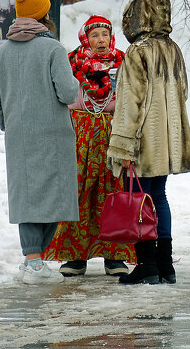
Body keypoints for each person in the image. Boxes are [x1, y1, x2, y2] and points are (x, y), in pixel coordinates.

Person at [0, 0, 79, 284]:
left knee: (27, 198)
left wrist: (11, 123)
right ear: (43, 17)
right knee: (54, 197)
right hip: (53, 136)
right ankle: (35, 262)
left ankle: (32, 260)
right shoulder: (53, 49)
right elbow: (67, 93)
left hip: (19, 139)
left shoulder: (1, 53)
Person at [106, 0, 190, 285]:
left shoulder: (138, 51)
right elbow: (182, 93)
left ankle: (146, 264)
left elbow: (130, 102)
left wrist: (123, 144)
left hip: (144, 140)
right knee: (159, 195)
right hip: (168, 141)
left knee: (139, 197)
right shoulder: (173, 49)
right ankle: (165, 265)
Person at [44, 15, 133, 277]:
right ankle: (74, 256)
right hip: (79, 132)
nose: (101, 40)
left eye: (105, 34)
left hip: (112, 131)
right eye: (95, 35)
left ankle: (114, 256)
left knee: (112, 192)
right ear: (85, 38)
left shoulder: (123, 61)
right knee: (78, 192)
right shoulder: (72, 62)